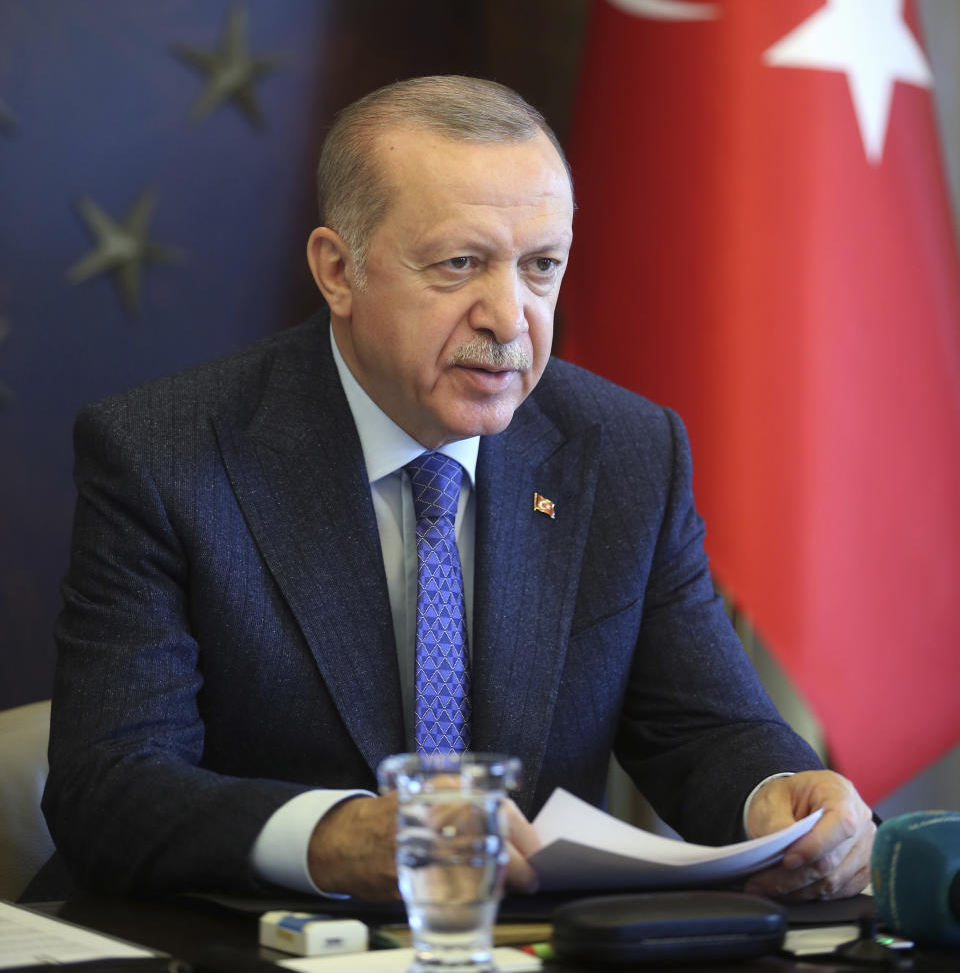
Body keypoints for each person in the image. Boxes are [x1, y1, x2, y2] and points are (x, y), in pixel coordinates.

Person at [38, 75, 875, 903]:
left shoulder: (622, 451)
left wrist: (776, 794)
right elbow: (110, 787)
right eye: (460, 263)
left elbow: (704, 725)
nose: (509, 317)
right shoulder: (165, 455)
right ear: (339, 271)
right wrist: (332, 837)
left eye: (541, 266)